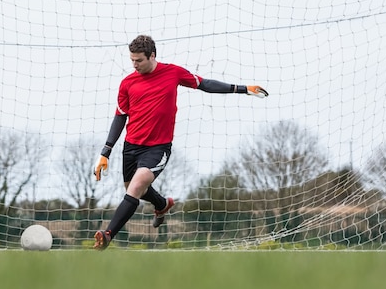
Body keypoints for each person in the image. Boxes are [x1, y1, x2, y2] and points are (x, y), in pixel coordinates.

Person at [92, 35, 268, 250]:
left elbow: (204, 84)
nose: (134, 65)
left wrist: (242, 88)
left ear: (152, 56)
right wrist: (105, 152)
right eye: (132, 60)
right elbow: (120, 116)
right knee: (132, 187)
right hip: (131, 146)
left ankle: (108, 235)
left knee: (137, 185)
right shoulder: (127, 83)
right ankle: (162, 204)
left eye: (139, 60)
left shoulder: (173, 73)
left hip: (158, 147)